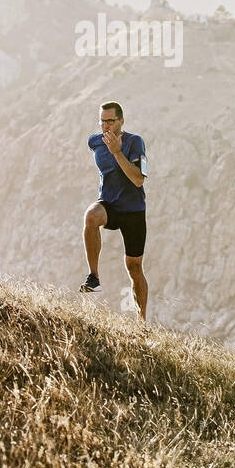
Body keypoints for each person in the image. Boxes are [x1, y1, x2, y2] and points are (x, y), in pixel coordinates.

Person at [80, 101, 148, 320]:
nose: (106, 125)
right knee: (91, 216)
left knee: (134, 268)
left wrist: (117, 153)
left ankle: (142, 321)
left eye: (110, 121)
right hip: (109, 205)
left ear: (121, 121)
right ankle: (94, 277)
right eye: (102, 121)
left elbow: (138, 180)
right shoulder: (94, 142)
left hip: (133, 210)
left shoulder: (135, 142)